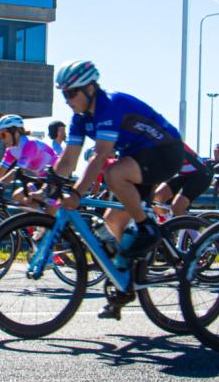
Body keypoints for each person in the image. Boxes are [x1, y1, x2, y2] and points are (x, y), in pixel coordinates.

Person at [52, 60, 185, 320]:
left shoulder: (110, 106)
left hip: (165, 152)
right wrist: (47, 184)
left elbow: (100, 157)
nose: (67, 100)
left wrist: (77, 194)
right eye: (63, 94)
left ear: (90, 88)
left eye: (71, 93)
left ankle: (147, 226)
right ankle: (125, 285)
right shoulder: (79, 119)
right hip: (136, 158)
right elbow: (68, 161)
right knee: (111, 222)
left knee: (114, 173)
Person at [0, 115, 58, 209]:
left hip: (56, 177)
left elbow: (18, 171)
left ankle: (48, 218)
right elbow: (1, 169)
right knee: (18, 196)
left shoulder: (30, 144)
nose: (2, 139)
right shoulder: (11, 149)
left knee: (50, 214)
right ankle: (38, 221)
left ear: (16, 132)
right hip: (43, 179)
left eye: (3, 135)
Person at [152, 143, 213, 247]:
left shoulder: (169, 142)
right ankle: (167, 230)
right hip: (185, 174)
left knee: (177, 207)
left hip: (201, 174)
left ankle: (199, 243)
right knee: (157, 197)